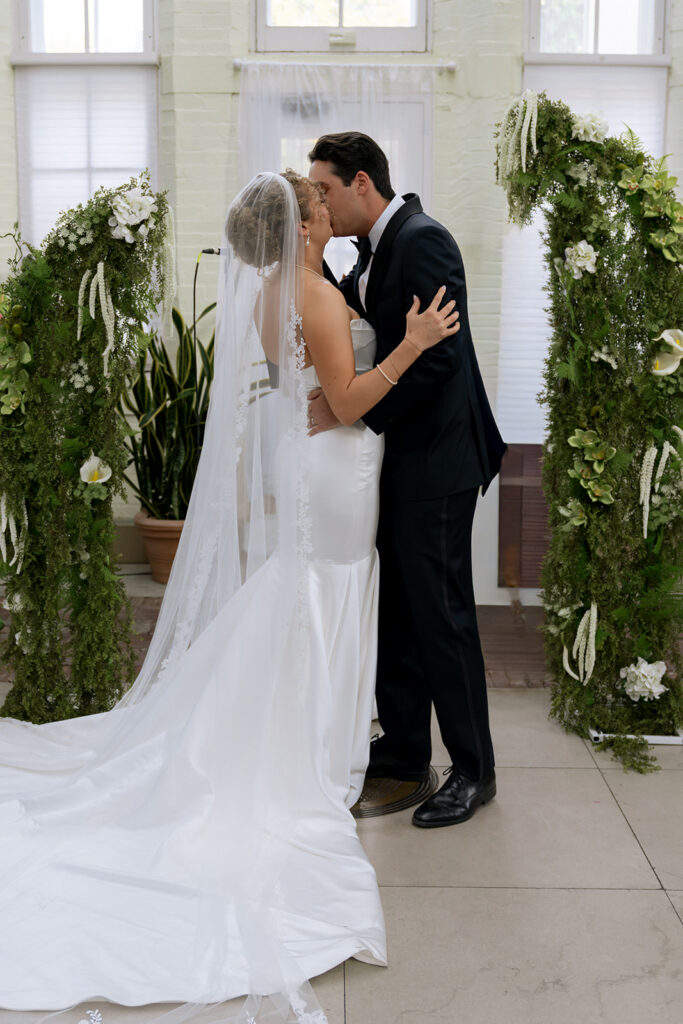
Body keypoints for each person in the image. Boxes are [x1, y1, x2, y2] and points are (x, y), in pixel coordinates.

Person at [0, 172, 458, 1024]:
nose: (326, 206)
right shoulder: (313, 297)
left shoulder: (280, 292)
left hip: (318, 468)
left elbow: (312, 395)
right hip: (336, 471)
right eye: (316, 202)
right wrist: (414, 340)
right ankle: (306, 743)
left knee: (310, 589)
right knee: (322, 588)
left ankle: (300, 724)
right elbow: (351, 402)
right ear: (302, 224)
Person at [308, 132, 507, 828]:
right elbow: (355, 327)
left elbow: (436, 361)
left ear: (361, 183)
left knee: (442, 617)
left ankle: (473, 772)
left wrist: (351, 411)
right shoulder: (364, 254)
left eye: (325, 190)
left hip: (440, 462)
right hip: (399, 461)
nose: (322, 205)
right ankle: (399, 752)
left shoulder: (423, 239)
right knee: (399, 611)